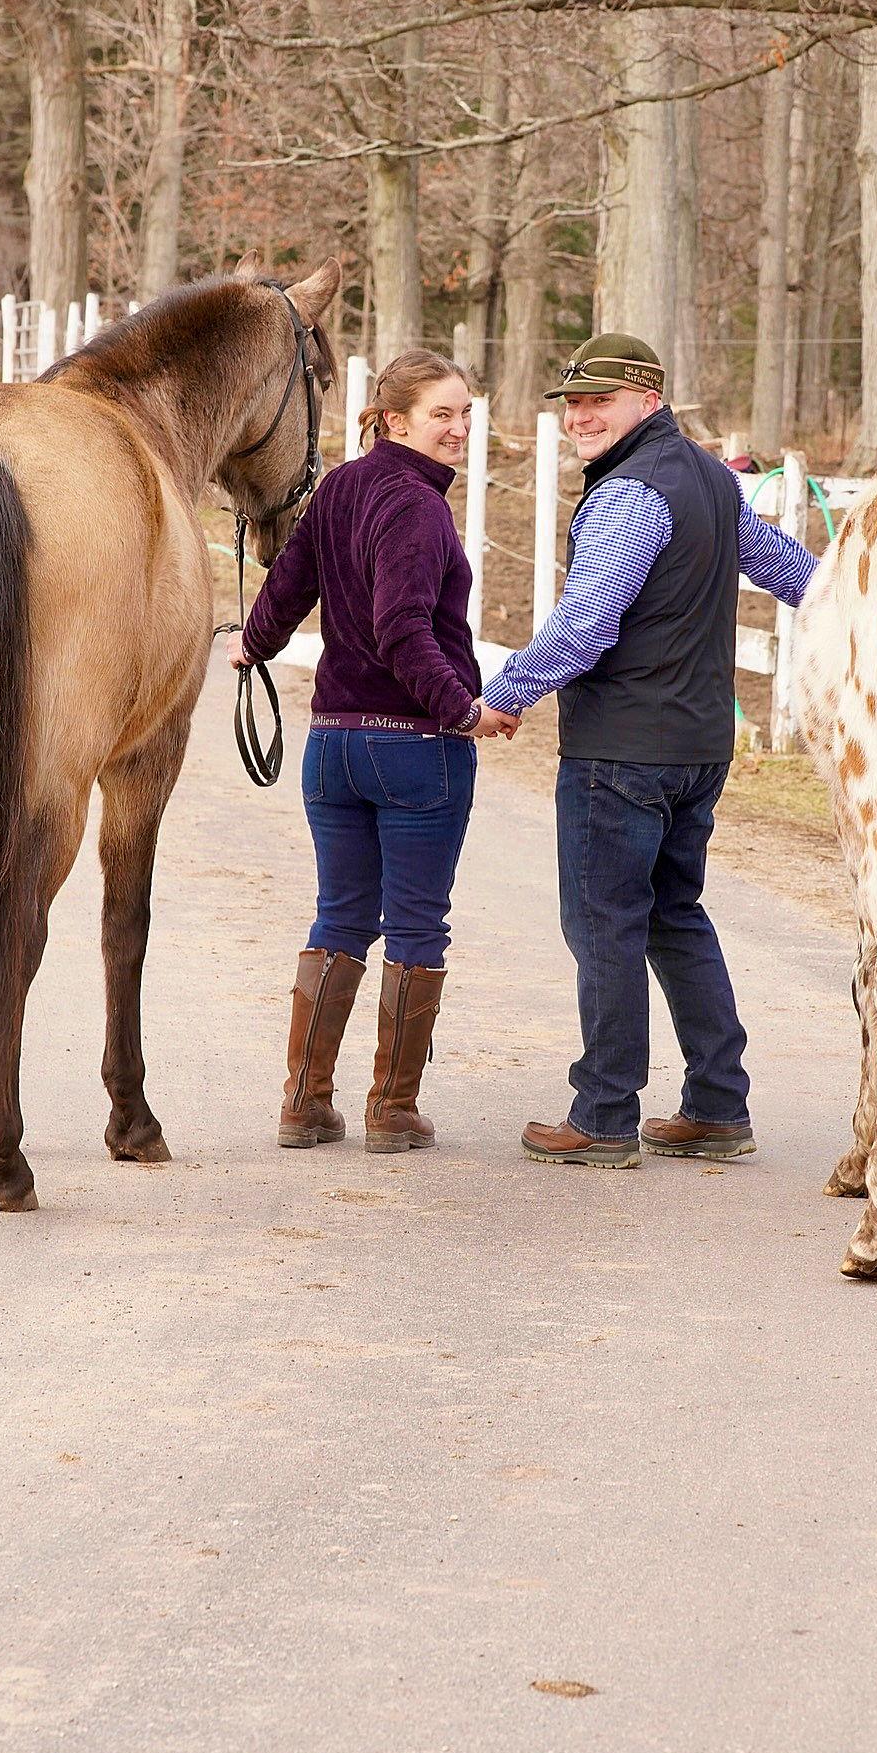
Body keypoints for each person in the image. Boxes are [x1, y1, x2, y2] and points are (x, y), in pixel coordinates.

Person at [481, 334, 817, 1169]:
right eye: (572, 404)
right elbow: (796, 571)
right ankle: (715, 1105)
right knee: (673, 915)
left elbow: (587, 622)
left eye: (600, 401)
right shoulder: (709, 477)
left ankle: (601, 1114)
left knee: (605, 924)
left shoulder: (629, 494)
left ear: (650, 400)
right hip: (699, 744)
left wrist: (504, 693)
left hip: (623, 751)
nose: (581, 417)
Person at [232, 351, 516, 1155]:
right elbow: (402, 629)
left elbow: (287, 585)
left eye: (465, 413)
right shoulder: (418, 509)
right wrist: (461, 709)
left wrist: (251, 646)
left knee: (340, 917)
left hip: (332, 747)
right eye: (441, 415)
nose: (459, 428)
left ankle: (304, 1103)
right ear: (393, 421)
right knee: (417, 924)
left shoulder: (340, 491)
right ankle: (391, 1109)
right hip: (414, 748)